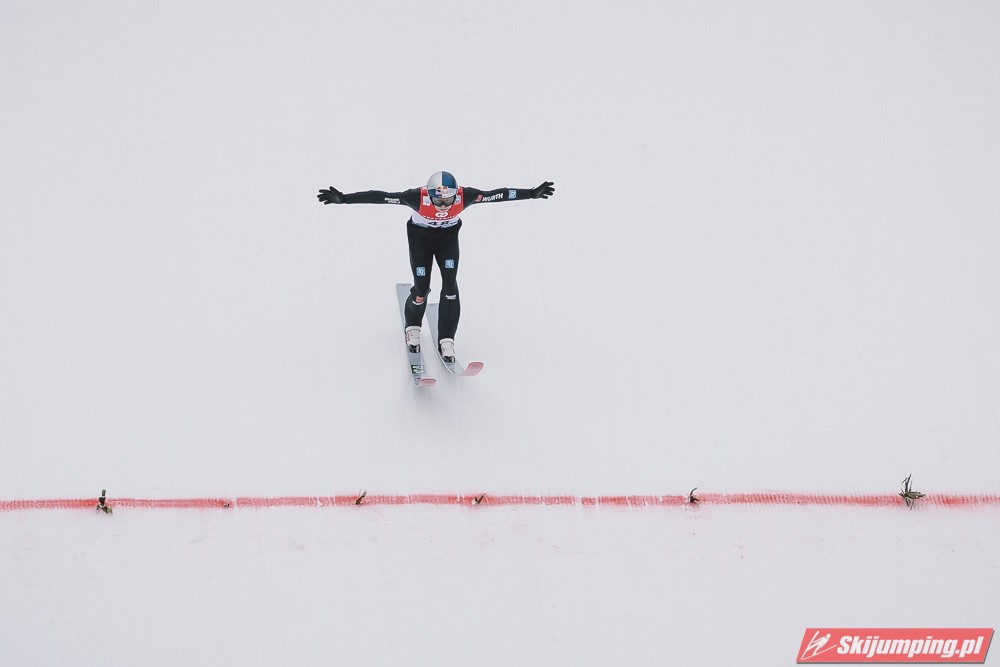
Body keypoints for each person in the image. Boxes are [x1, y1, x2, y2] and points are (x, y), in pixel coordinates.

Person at [317, 171, 554, 362]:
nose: (442, 205)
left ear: (455, 195)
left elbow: (497, 195)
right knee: (422, 286)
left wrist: (531, 194)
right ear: (429, 195)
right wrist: (345, 199)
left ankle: (447, 340)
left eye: (447, 200)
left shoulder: (466, 196)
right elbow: (381, 197)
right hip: (420, 238)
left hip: (447, 239)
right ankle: (413, 325)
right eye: (437, 200)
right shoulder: (416, 197)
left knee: (450, 285)